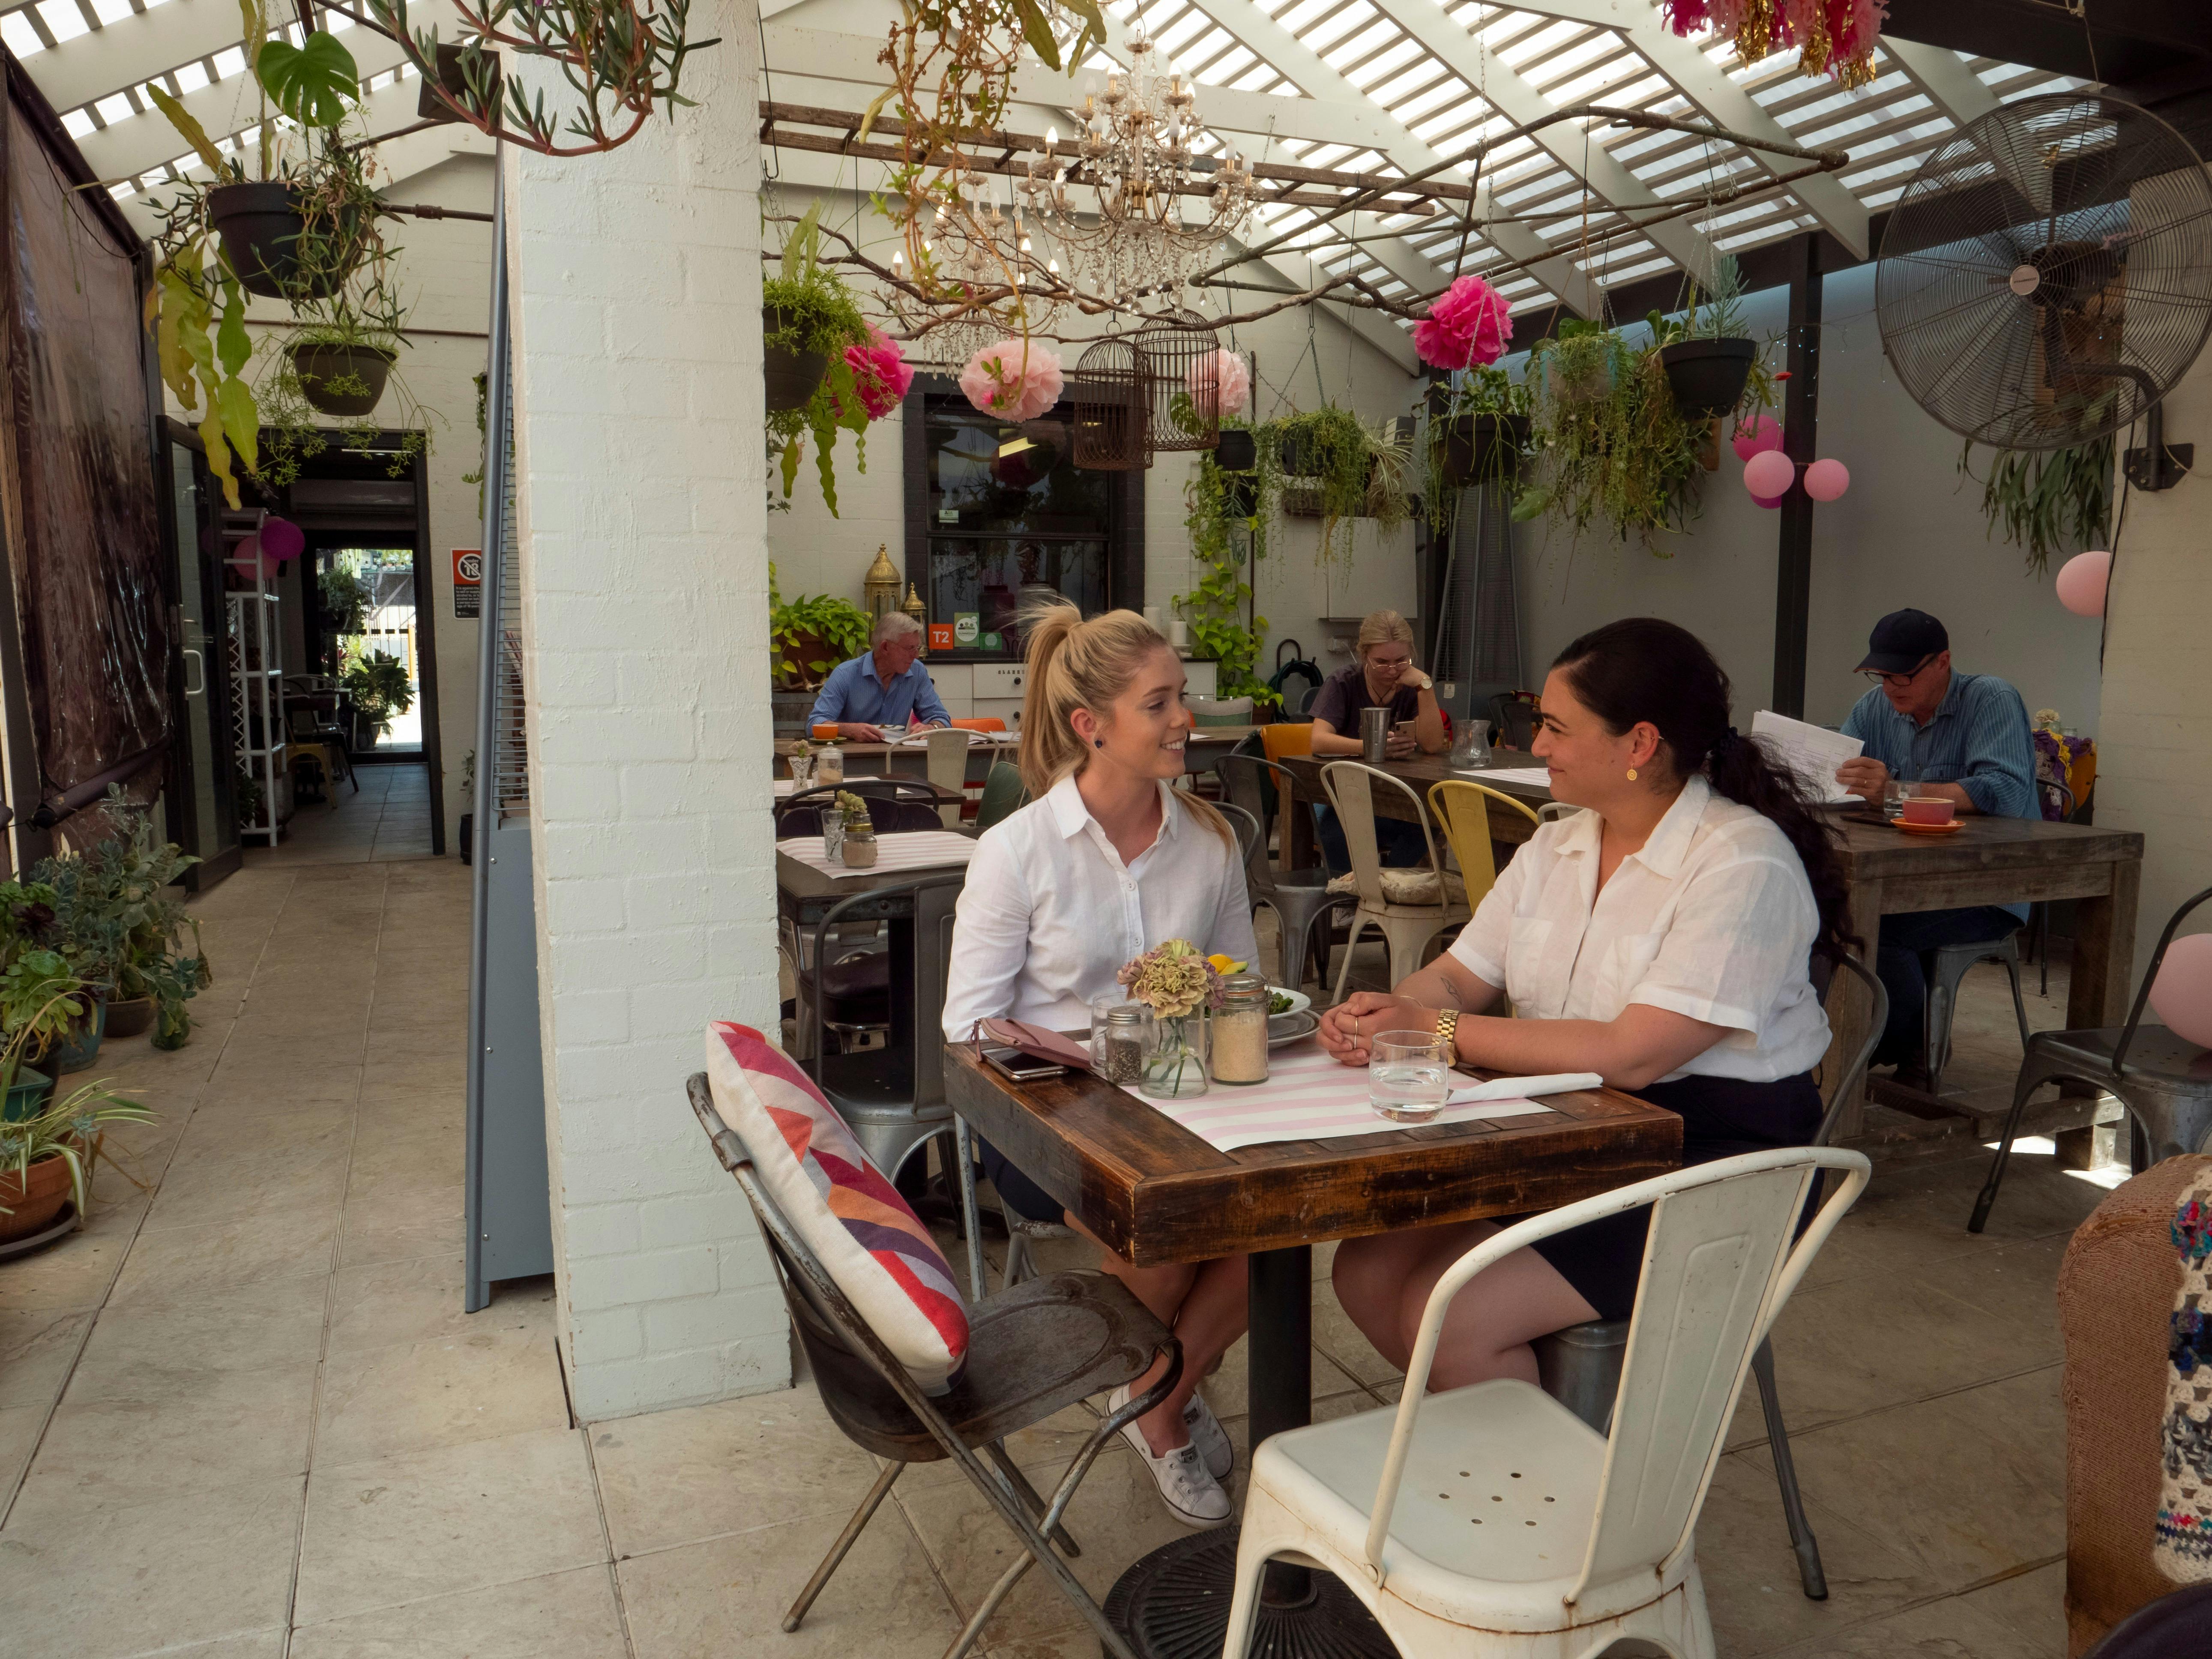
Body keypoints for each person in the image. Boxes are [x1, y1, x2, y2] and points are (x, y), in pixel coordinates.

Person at [1319, 617, 1847, 1392]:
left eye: (1556, 728)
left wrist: (1434, 1030)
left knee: (1451, 1306)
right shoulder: (1558, 844)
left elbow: (1632, 1052)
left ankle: (1549, 1501)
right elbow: (1460, 975)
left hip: (1709, 1161)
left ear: (1637, 744)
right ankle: (1526, 1448)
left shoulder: (1740, 863)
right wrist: (1386, 1012)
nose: (1537, 747)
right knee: (1367, 1269)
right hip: (1571, 1136)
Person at [940, 604, 1257, 1528]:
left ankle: (1151, 1392)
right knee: (1167, 1223)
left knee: (1268, 1238)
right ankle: (1162, 1410)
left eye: (1179, 697)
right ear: (1092, 726)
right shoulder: (1017, 851)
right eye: (1157, 703)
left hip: (1181, 1093)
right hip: (1045, 1115)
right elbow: (970, 1026)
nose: (1182, 719)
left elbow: (1247, 983)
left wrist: (1201, 985)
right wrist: (1091, 1047)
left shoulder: (1210, 841)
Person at [1832, 608, 2038, 1081]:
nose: (1892, 686)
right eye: (1883, 674)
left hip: (1987, 883)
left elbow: (2003, 790)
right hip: (1905, 876)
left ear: (1942, 661)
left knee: (1878, 929)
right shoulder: (1873, 707)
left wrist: (1895, 793)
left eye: (1904, 674)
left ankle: (1908, 1045)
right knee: (1830, 911)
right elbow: (1836, 773)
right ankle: (1873, 1042)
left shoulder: (1990, 698)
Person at [1305, 610, 1451, 868]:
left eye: (1401, 660)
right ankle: (1350, 897)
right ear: (1364, 657)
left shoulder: (1411, 687)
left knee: (1431, 823)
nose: (1392, 670)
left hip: (1396, 796)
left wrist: (1425, 686)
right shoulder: (1344, 683)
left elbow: (1432, 745)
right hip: (1341, 797)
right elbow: (1319, 741)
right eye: (1381, 661)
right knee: (1339, 832)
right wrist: (1374, 748)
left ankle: (1389, 885)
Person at [808, 612, 950, 740]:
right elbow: (814, 724)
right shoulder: (846, 674)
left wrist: (932, 728)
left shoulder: (917, 671)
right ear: (885, 647)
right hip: (852, 760)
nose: (916, 656)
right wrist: (850, 730)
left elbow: (941, 718)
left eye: (917, 648)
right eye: (910, 648)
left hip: (896, 757)